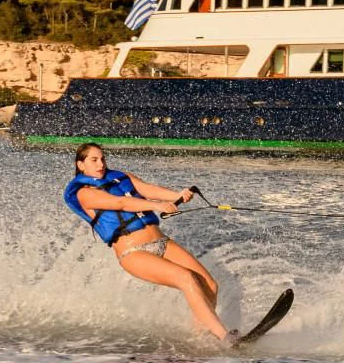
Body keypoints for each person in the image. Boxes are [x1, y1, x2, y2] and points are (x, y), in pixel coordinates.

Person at [63, 142, 234, 343]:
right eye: (94, 160)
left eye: (102, 158)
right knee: (186, 278)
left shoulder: (119, 177)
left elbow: (146, 189)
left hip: (161, 242)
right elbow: (122, 203)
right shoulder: (84, 193)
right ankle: (225, 337)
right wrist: (157, 206)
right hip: (133, 252)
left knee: (210, 285)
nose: (101, 163)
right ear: (81, 165)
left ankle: (199, 337)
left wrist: (177, 195)